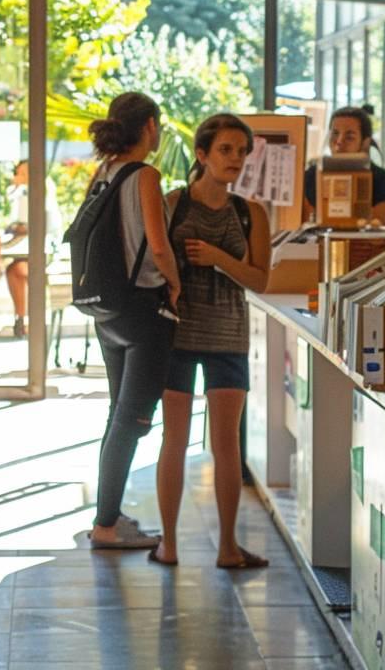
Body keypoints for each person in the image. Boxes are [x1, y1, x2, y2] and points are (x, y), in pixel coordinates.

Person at [151, 114, 271, 569]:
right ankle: (168, 543)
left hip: (228, 335)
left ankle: (228, 547)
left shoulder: (250, 212)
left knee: (226, 445)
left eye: (241, 151)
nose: (235, 159)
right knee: (174, 439)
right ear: (202, 154)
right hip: (177, 333)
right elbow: (151, 262)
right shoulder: (173, 203)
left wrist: (218, 256)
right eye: (225, 149)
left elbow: (260, 279)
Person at [85, 93, 183, 550]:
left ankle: (108, 514)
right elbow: (158, 246)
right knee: (132, 420)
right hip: (144, 309)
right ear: (149, 126)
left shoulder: (103, 172)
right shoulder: (145, 175)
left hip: (108, 309)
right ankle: (106, 524)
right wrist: (175, 284)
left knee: (117, 417)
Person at [301, 104, 385, 225]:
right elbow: (306, 224)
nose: (339, 141)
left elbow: (379, 224)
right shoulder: (312, 175)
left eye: (349, 137)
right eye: (335, 133)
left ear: (365, 142)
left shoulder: (381, 178)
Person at [2, 159, 63, 339]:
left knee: (19, 270)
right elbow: (18, 222)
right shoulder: (20, 193)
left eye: (22, 173)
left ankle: (27, 319)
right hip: (26, 248)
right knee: (14, 270)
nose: (17, 176)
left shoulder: (44, 191)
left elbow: (46, 224)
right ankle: (21, 318)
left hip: (46, 249)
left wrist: (24, 228)